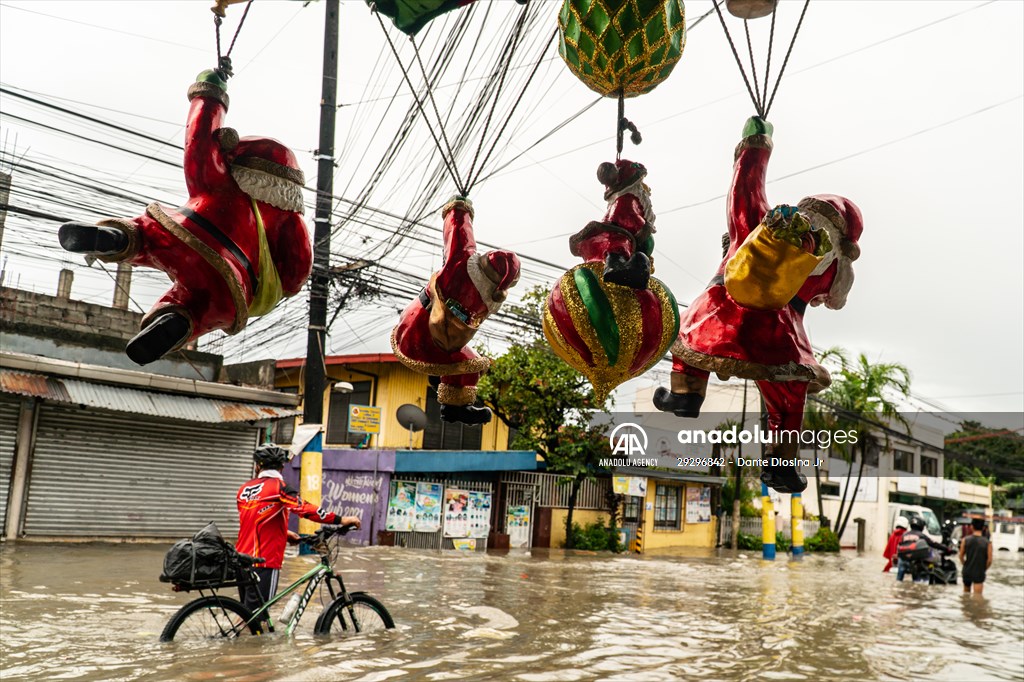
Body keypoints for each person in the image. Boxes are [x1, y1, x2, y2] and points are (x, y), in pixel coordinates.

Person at [651, 117, 864, 495]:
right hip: (779, 334)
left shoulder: (760, 226)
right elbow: (830, 301)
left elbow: (744, 190)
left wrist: (756, 146)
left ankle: (685, 396)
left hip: (721, 311)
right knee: (787, 396)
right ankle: (780, 464)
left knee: (689, 346)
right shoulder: (833, 265)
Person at [236, 444, 360, 629]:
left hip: (241, 560)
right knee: (253, 621)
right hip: (264, 561)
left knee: (249, 614)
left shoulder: (244, 490)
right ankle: (238, 655)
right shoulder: (280, 487)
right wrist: (341, 520)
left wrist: (283, 533)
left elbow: (253, 520)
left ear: (257, 466)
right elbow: (305, 509)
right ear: (282, 466)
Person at [959, 517, 993, 595]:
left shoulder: (965, 540)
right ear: (983, 528)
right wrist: (984, 568)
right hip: (979, 571)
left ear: (972, 526)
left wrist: (965, 565)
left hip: (967, 570)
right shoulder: (987, 543)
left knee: (965, 595)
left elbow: (961, 556)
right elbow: (989, 560)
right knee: (977, 597)